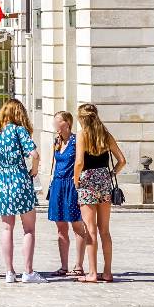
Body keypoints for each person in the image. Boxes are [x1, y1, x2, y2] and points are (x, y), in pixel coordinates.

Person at [0, 98, 43, 283]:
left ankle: (9, 272)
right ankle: (28, 272)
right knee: (29, 229)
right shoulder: (18, 130)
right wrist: (35, 169)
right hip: (20, 179)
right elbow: (34, 154)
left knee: (7, 228)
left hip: (1, 181)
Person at [73, 103, 126, 283]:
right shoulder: (105, 135)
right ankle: (108, 272)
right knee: (105, 230)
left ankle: (93, 273)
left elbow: (79, 162)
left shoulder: (82, 135)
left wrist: (75, 178)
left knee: (90, 230)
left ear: (82, 119)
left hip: (87, 182)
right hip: (104, 181)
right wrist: (111, 173)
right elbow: (122, 160)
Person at [47, 111, 89, 277]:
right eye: (55, 122)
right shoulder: (56, 141)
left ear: (68, 123)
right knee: (60, 227)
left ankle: (78, 265)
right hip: (57, 185)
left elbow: (80, 162)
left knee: (77, 225)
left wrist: (77, 181)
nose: (55, 125)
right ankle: (63, 266)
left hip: (71, 185)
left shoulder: (75, 140)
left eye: (58, 122)